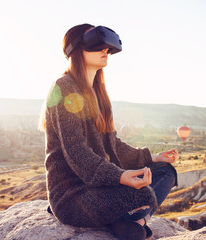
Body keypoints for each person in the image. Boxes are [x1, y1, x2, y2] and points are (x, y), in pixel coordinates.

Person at [39, 23, 178, 240]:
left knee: (164, 171)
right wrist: (121, 177)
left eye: (106, 46)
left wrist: (151, 157)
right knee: (142, 192)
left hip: (100, 186)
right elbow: (77, 151)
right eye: (96, 45)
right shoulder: (64, 86)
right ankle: (132, 220)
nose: (105, 50)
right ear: (76, 50)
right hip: (73, 196)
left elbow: (113, 145)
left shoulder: (98, 93)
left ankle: (134, 221)